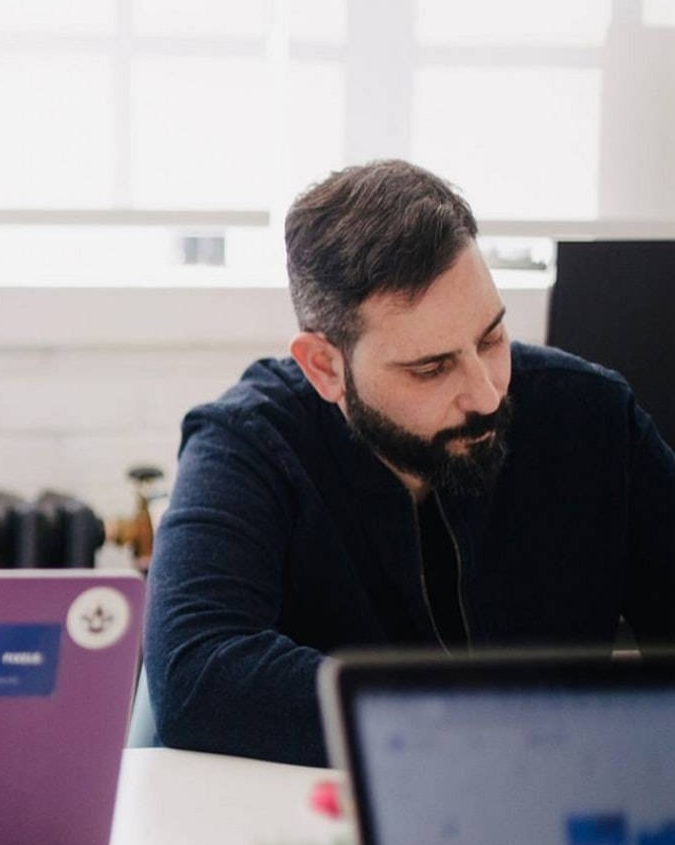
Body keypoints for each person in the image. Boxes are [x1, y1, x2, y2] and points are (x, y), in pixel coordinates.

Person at [145, 159, 675, 767]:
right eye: (431, 367)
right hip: (335, 831)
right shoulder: (248, 442)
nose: (486, 394)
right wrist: (486, 721)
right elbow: (198, 673)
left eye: (491, 338)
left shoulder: (594, 414)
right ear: (324, 366)